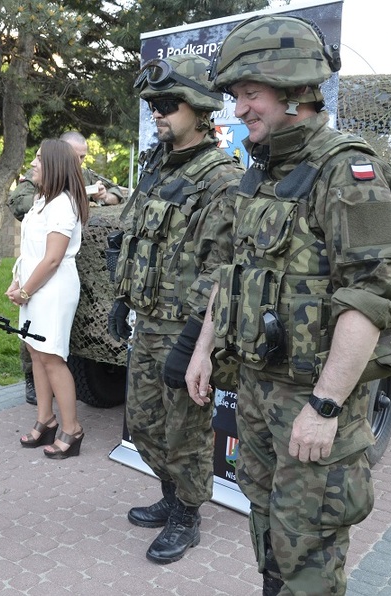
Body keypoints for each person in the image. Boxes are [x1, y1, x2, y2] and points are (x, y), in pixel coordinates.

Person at [184, 16, 391, 595]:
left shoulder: (346, 170)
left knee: (309, 548)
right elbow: (231, 272)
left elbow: (372, 295)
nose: (239, 110)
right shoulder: (262, 172)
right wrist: (203, 350)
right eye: (236, 96)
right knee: (268, 528)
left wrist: (325, 407)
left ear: (292, 89)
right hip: (258, 393)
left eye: (249, 94)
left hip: (310, 400)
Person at [108, 55, 242, 565]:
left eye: (167, 104)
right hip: (147, 322)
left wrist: (194, 343)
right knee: (143, 425)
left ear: (201, 109)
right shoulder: (157, 165)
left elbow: (221, 269)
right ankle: (171, 494)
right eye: (153, 105)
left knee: (185, 431)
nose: (157, 113)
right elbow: (137, 238)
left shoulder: (222, 179)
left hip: (186, 329)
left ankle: (187, 515)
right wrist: (122, 298)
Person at [7, 131, 128, 406]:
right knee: (36, 347)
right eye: (75, 156)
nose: (79, 162)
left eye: (83, 157)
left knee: (50, 351)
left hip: (58, 276)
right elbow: (19, 203)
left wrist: (103, 196)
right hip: (39, 273)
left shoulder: (71, 190)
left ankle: (65, 423)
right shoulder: (42, 186)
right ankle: (37, 395)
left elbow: (117, 193)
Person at [6, 139, 89, 458]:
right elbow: (31, 251)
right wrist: (18, 281)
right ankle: (46, 420)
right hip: (34, 286)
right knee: (35, 352)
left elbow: (53, 258)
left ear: (54, 165)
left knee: (52, 357)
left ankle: (72, 429)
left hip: (52, 290)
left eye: (39, 159)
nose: (33, 163)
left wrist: (26, 290)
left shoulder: (63, 204)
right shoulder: (43, 199)